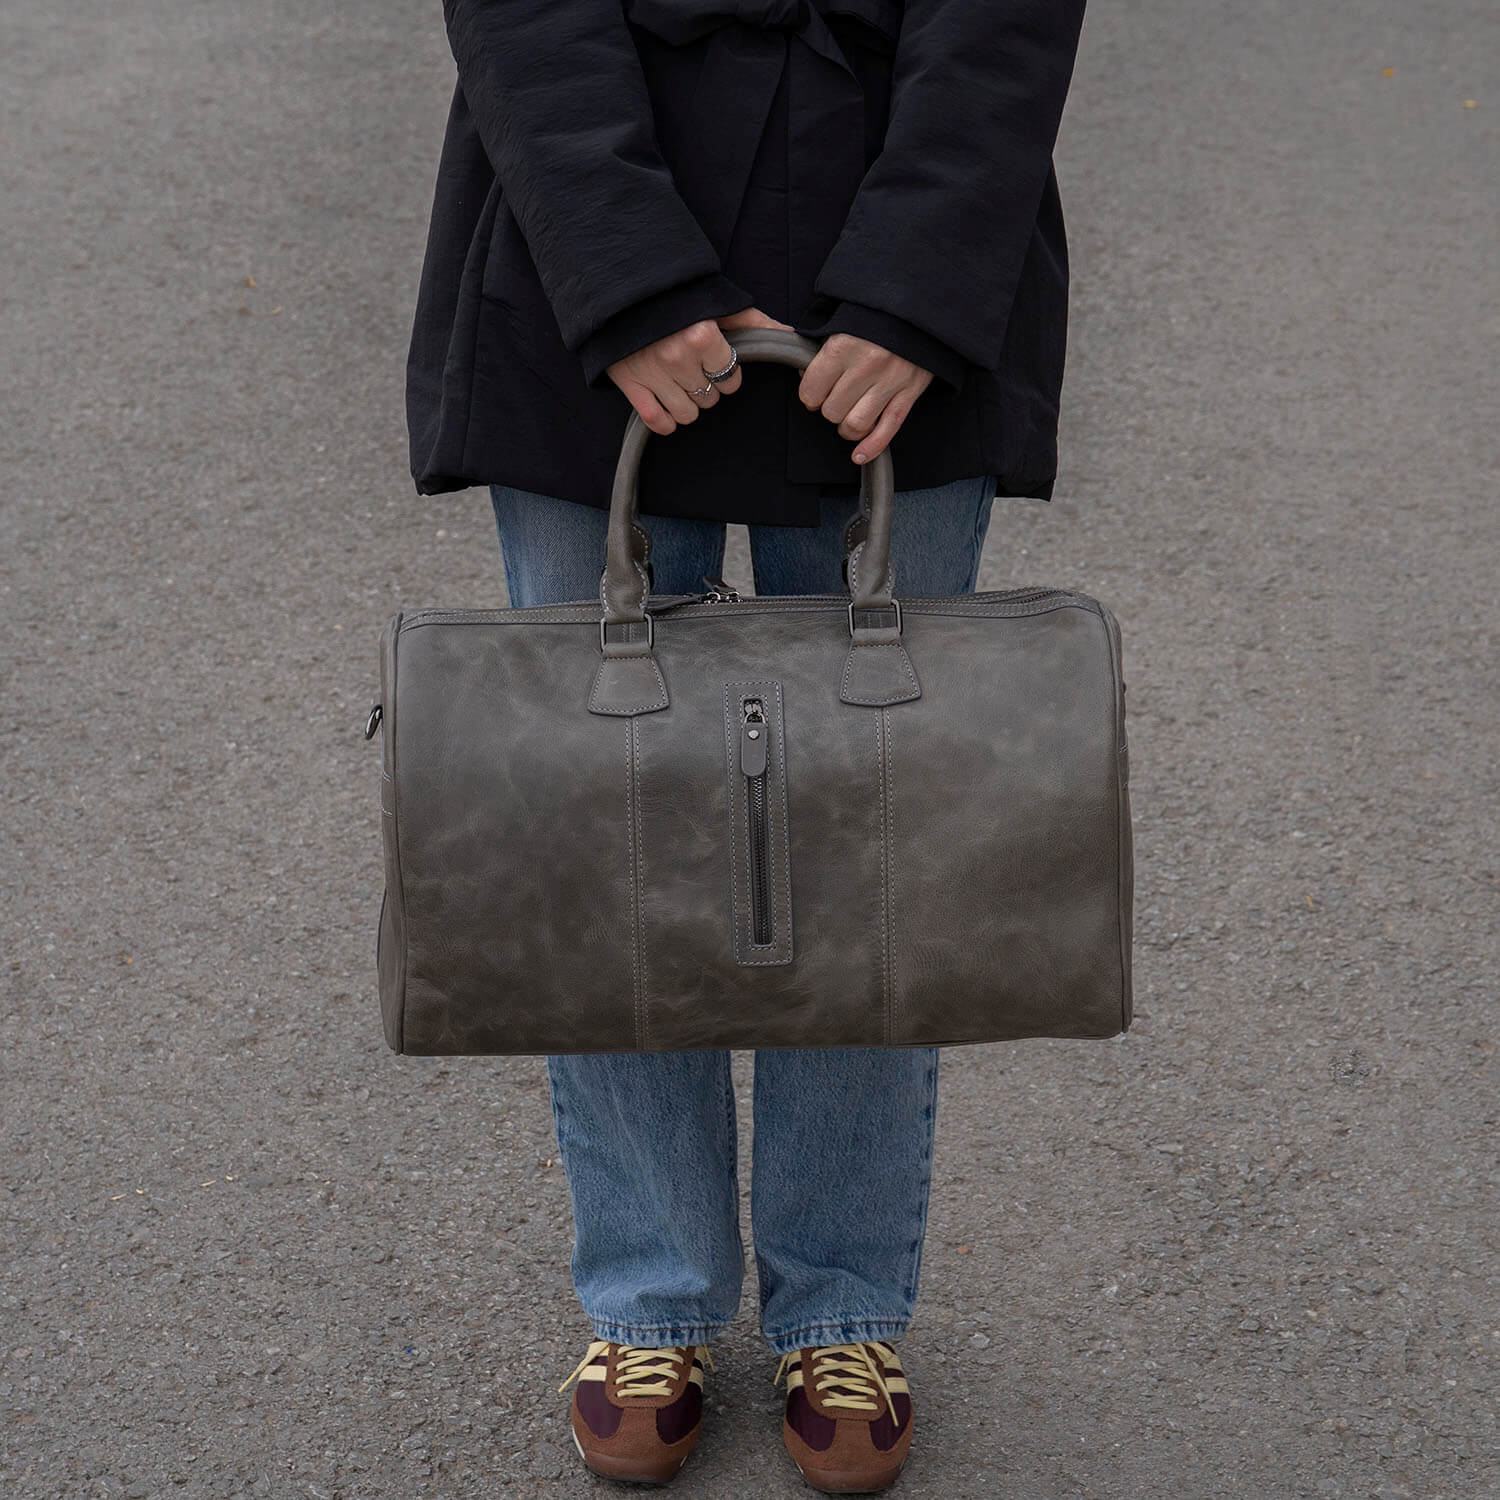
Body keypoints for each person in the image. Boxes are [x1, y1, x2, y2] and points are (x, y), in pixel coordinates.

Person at [406, 1, 1087, 1489]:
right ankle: (650, 1292)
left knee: (868, 820)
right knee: (606, 821)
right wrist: (627, 278)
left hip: (901, 234)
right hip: (584, 243)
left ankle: (844, 1302)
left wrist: (917, 291)